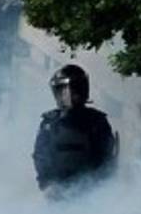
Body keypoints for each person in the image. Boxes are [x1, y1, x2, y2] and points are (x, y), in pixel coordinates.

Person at [32, 64, 118, 199]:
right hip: (57, 190)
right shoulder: (49, 123)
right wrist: (47, 184)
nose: (69, 96)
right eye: (62, 91)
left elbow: (107, 158)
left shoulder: (96, 121)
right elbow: (41, 156)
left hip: (91, 192)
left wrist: (100, 187)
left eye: (73, 90)